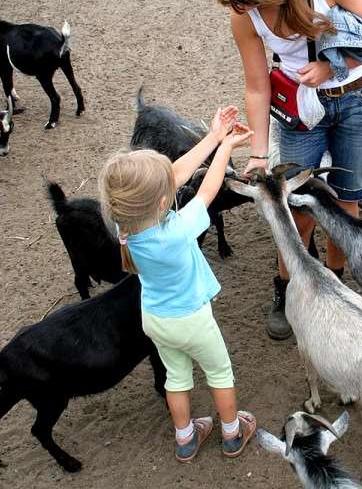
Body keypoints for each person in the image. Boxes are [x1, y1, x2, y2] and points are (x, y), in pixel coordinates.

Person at [210, 0, 362, 340]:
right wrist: (259, 152)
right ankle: (289, 288)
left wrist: (334, 67)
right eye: (237, 2)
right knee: (294, 206)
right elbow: (258, 84)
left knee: (348, 201)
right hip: (300, 110)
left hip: (357, 99)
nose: (242, 8)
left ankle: (334, 282)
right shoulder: (244, 14)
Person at [98, 106, 256, 462]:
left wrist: (214, 137)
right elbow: (206, 191)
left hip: (155, 317)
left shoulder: (126, 225)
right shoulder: (175, 230)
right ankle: (232, 431)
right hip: (192, 318)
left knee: (176, 377)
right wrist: (226, 150)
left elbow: (175, 175)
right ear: (162, 200)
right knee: (219, 371)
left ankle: (185, 437)